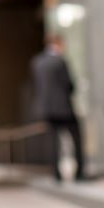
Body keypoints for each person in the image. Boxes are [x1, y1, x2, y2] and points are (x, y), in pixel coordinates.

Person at [30, 34, 87, 182]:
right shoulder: (60, 61)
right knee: (76, 137)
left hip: (46, 108)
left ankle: (56, 173)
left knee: (52, 141)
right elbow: (69, 85)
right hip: (63, 108)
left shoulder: (37, 62)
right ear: (58, 43)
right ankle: (79, 172)